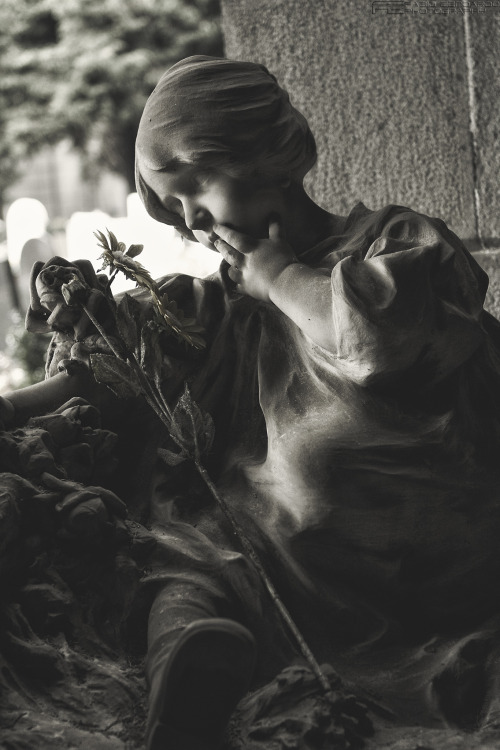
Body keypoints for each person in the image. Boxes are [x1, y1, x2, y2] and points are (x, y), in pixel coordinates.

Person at [4, 55, 500, 749]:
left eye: (194, 186)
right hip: (282, 541)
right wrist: (20, 408)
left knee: (209, 516)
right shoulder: (222, 307)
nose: (189, 219)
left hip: (414, 528)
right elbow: (125, 370)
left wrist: (280, 276)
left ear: (263, 153)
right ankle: (192, 648)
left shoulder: (399, 243)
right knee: (186, 533)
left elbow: (378, 340)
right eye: (169, 206)